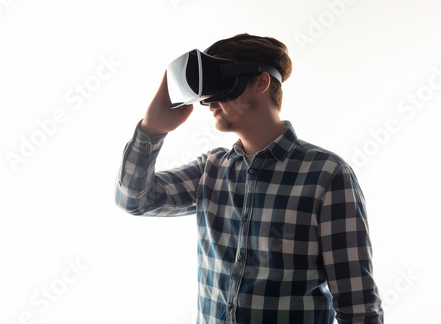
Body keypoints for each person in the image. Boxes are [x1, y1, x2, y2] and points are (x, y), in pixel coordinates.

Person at [115, 33, 384, 324]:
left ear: (260, 82)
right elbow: (134, 200)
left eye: (219, 86)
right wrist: (152, 130)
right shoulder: (211, 169)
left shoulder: (327, 175)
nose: (209, 103)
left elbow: (358, 307)